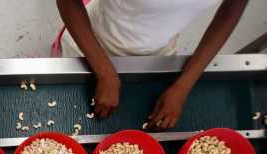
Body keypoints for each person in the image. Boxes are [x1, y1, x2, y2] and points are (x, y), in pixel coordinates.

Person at [54, 0, 248, 129]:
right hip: (96, 40)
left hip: (158, 52)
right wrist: (105, 73)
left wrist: (183, 86)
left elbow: (230, 13)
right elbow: (68, 3)